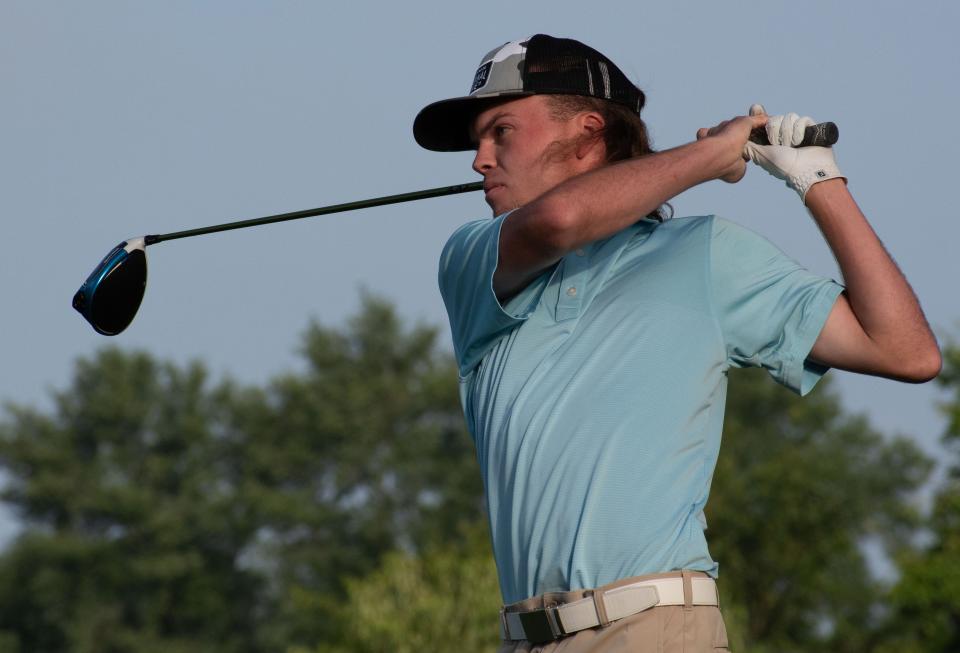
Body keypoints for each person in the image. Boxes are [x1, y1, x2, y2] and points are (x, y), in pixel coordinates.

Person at [412, 34, 941, 653]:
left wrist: (819, 180)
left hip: (654, 628)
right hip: (524, 637)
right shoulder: (473, 257)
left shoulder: (705, 254)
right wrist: (715, 155)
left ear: (587, 132)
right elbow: (560, 221)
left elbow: (906, 352)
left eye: (500, 131)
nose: (480, 159)